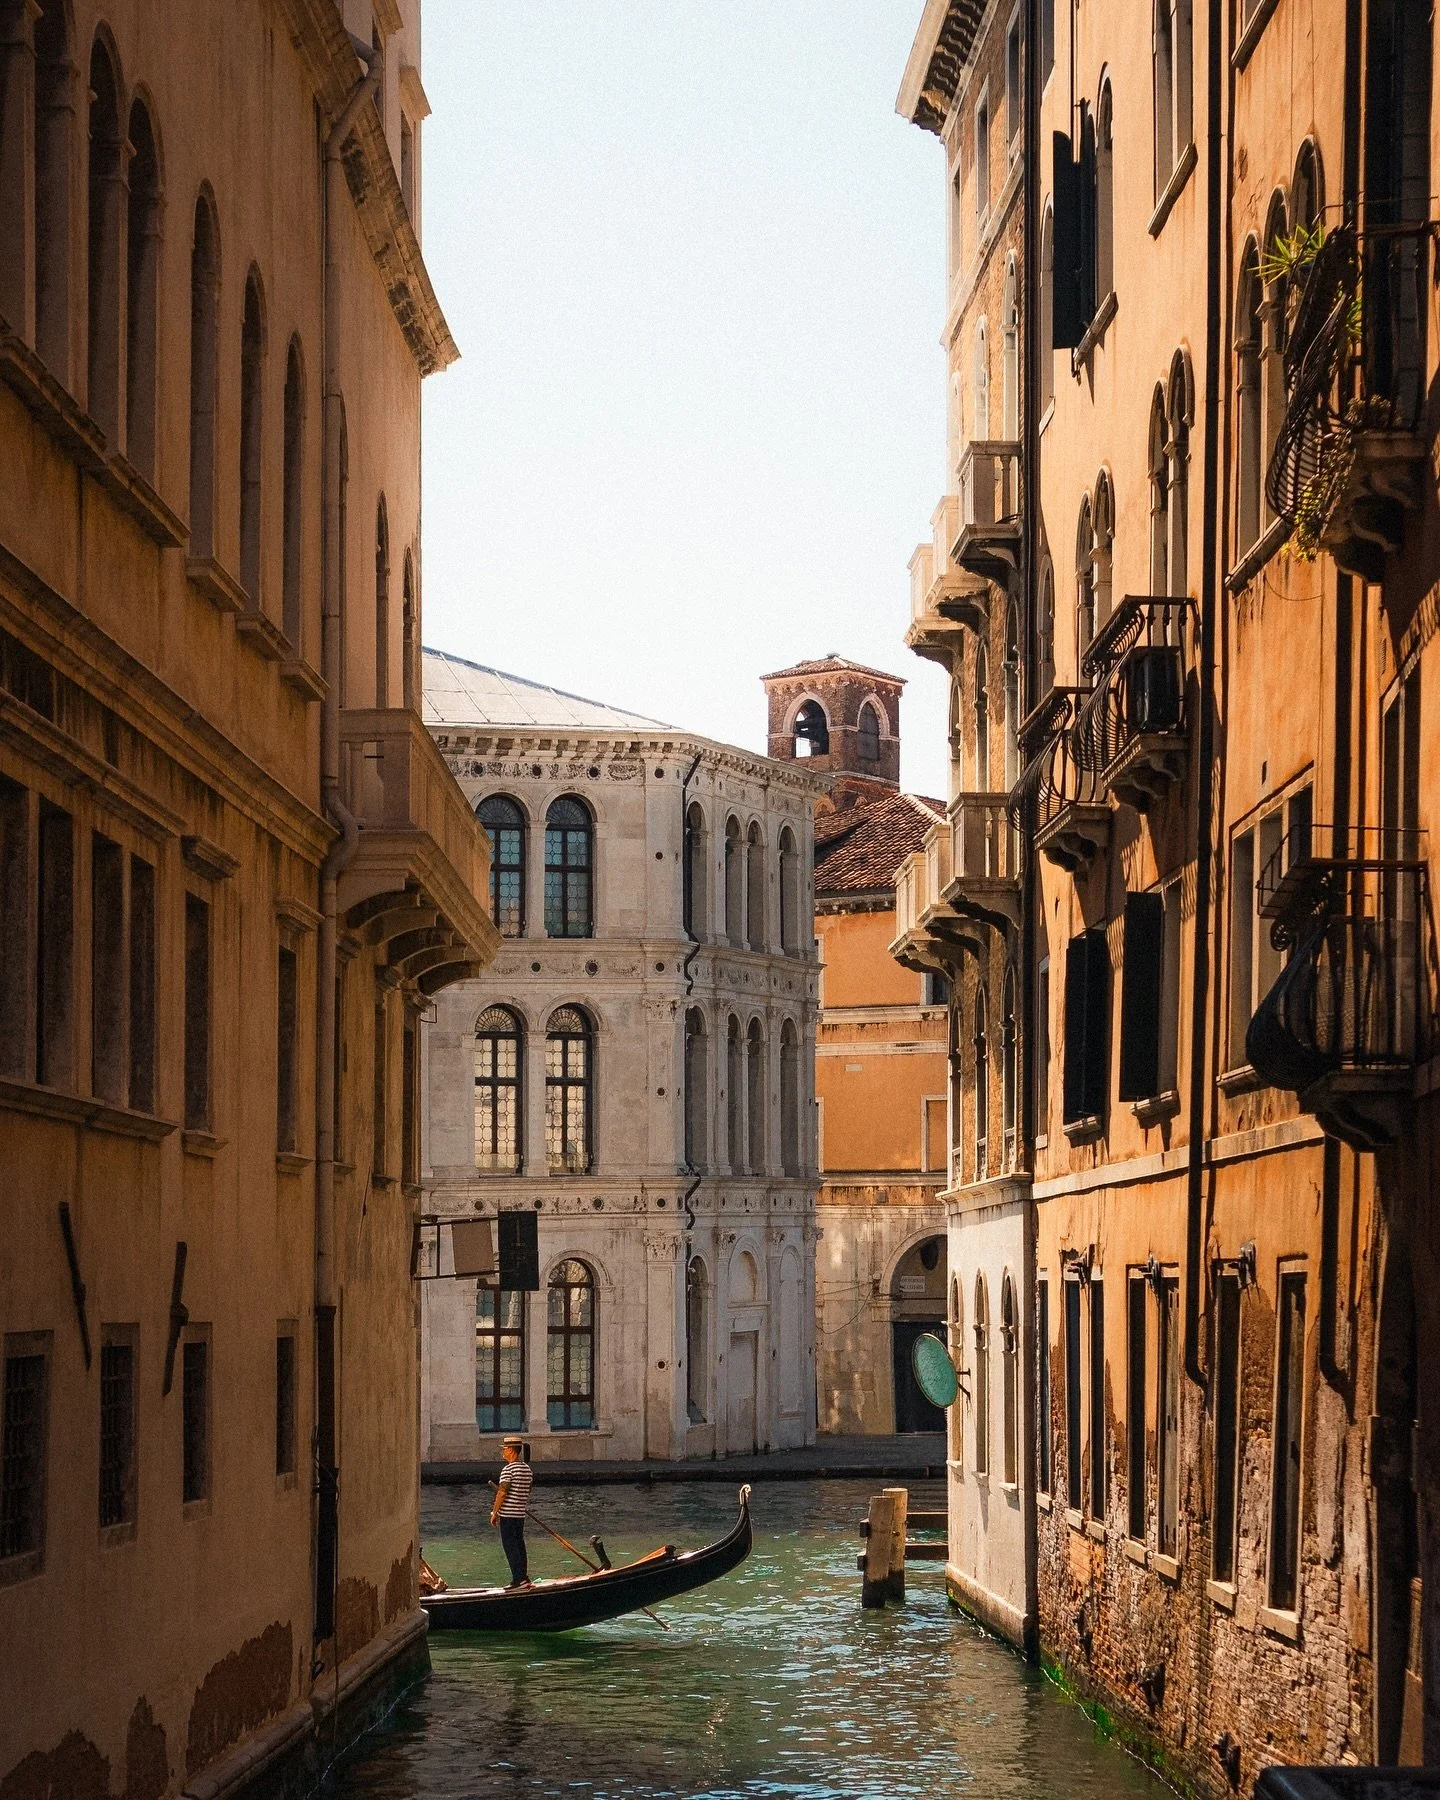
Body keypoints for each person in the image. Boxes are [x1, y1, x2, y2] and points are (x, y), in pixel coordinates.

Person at [489, 1435, 533, 1589]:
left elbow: (502, 1493)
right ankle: (523, 1577)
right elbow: (526, 1491)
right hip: (520, 1514)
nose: (503, 1452)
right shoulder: (527, 1470)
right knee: (519, 1545)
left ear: (511, 1450)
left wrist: (494, 1512)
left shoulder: (508, 1469)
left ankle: (518, 1579)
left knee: (510, 1546)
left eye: (505, 1449)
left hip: (507, 1515)